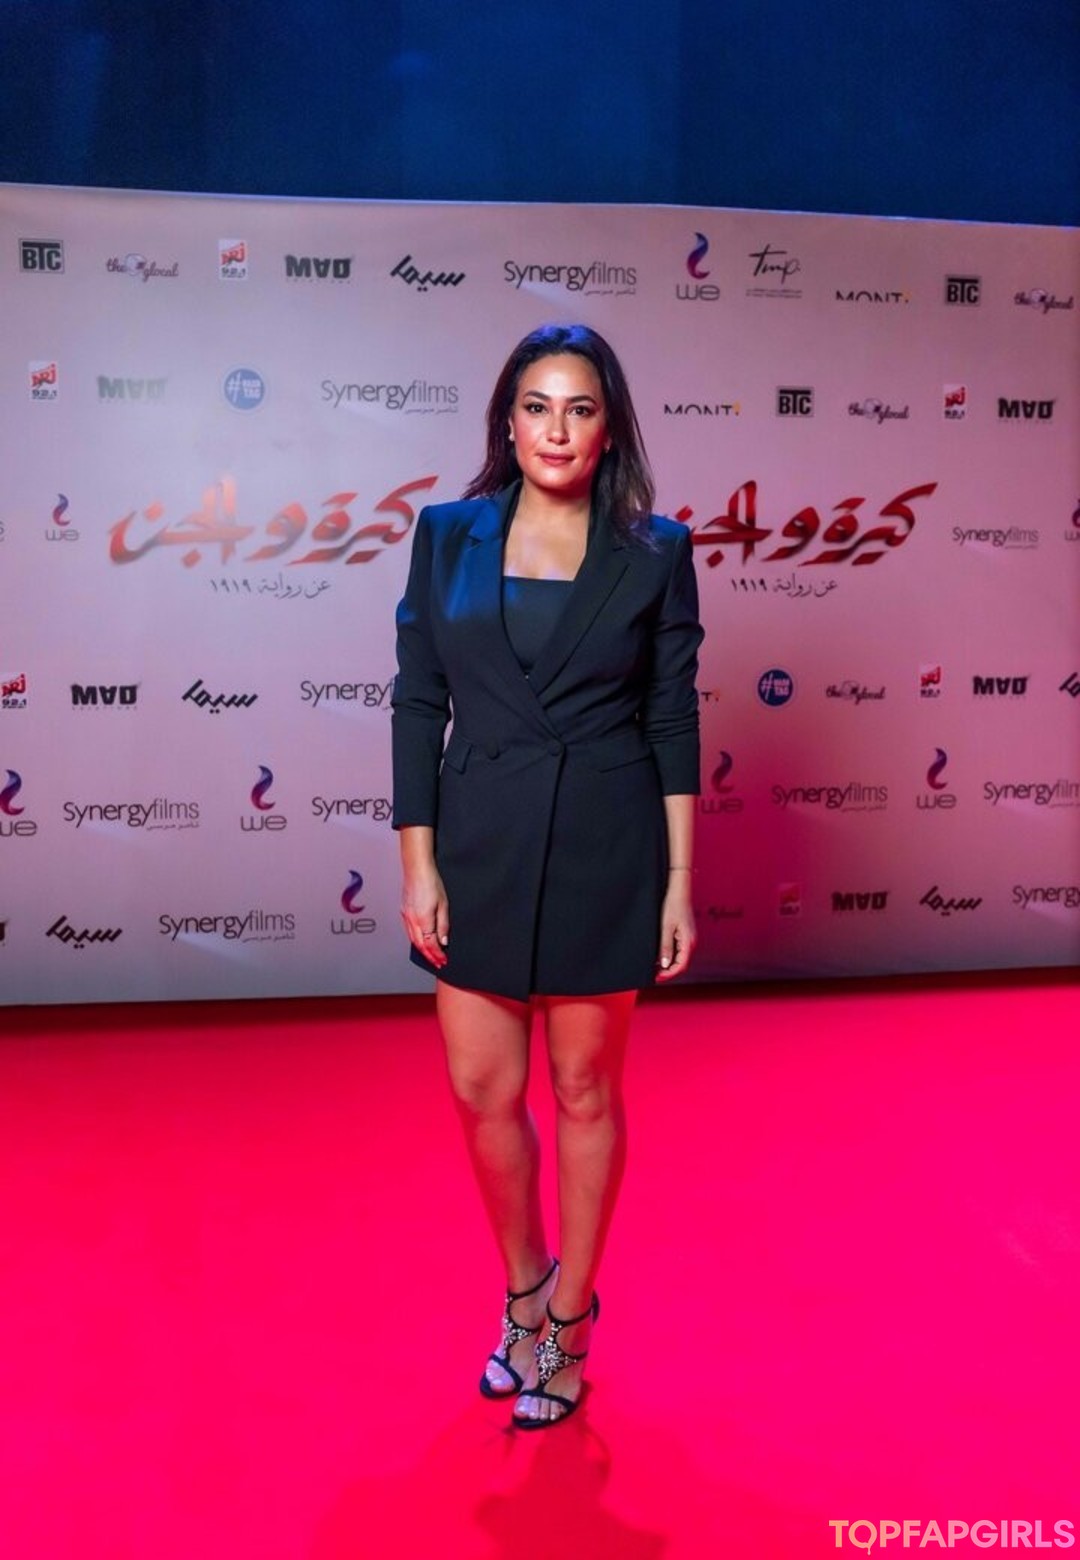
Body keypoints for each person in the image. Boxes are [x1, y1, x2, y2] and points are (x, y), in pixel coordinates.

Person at [391, 322, 702, 1428]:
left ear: (609, 425)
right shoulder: (446, 534)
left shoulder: (655, 549)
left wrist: (678, 878)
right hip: (478, 842)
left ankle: (571, 1317)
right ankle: (525, 1287)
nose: (556, 430)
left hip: (604, 844)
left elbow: (671, 715)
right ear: (507, 421)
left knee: (583, 1091)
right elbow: (418, 700)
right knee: (482, 1089)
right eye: (536, 406)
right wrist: (418, 864)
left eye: (579, 407)